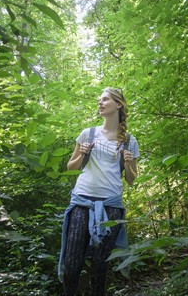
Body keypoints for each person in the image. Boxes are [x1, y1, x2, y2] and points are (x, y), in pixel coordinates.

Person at [58, 87, 140, 296]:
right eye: (99, 101)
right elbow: (71, 167)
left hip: (111, 205)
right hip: (82, 201)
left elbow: (131, 179)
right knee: (72, 264)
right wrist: (82, 153)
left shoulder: (129, 140)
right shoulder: (88, 133)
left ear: (118, 104)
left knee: (100, 266)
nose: (100, 103)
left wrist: (128, 163)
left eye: (105, 100)